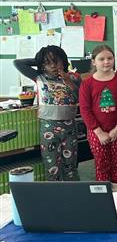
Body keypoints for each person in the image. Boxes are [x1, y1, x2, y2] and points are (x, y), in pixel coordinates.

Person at [13, 45, 81, 181]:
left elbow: (80, 97)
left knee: (70, 166)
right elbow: (17, 63)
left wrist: (68, 81)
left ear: (64, 60)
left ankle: (73, 194)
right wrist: (39, 60)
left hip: (69, 127)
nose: (52, 66)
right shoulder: (39, 76)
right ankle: (54, 197)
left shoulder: (74, 77)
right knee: (52, 166)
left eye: (56, 61)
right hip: (48, 127)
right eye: (47, 63)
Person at [79, 45, 117, 191]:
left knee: (116, 162)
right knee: (101, 162)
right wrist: (99, 132)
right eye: (102, 59)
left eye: (110, 58)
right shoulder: (87, 83)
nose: (106, 62)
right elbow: (85, 110)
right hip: (97, 132)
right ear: (94, 62)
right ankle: (102, 194)